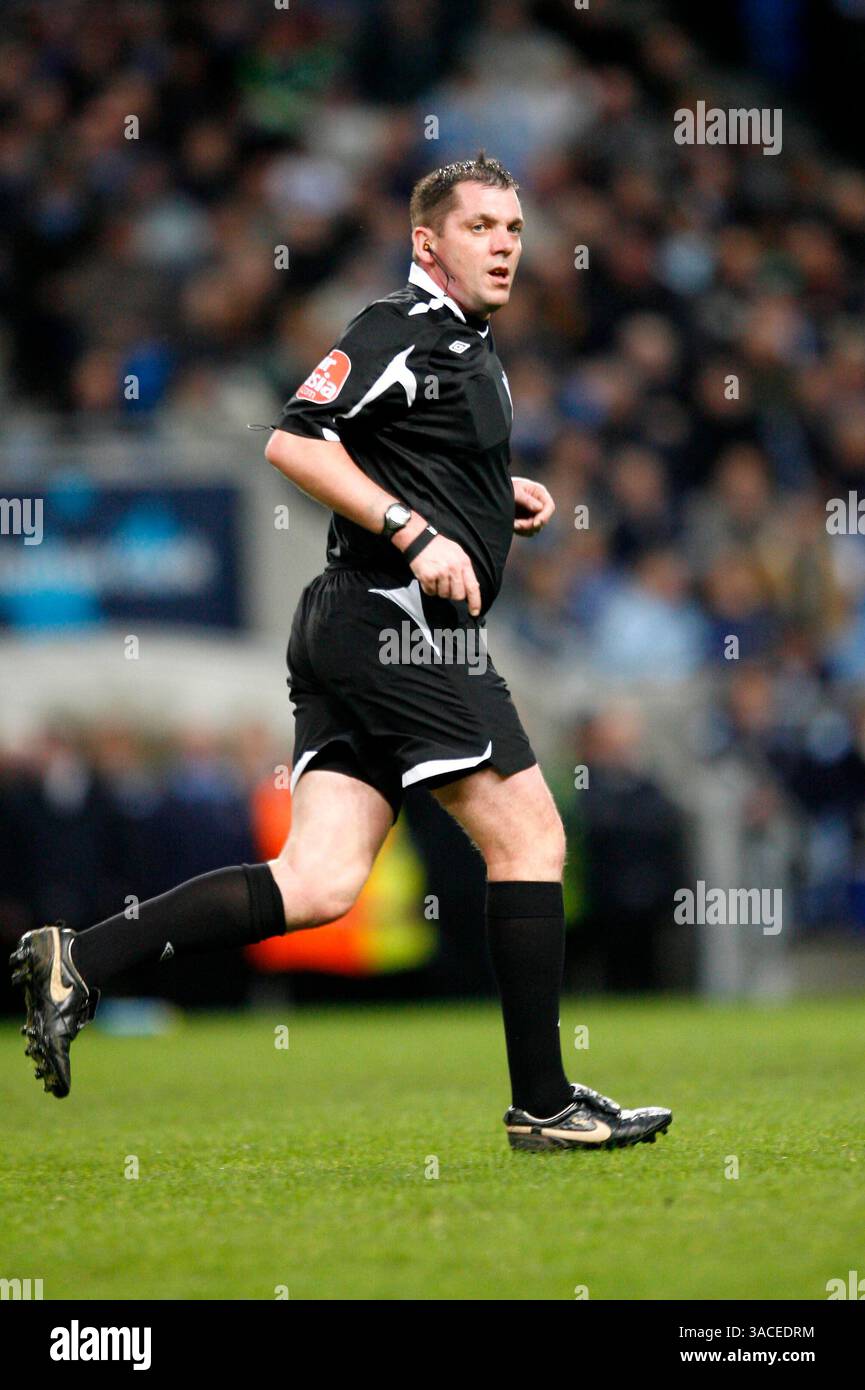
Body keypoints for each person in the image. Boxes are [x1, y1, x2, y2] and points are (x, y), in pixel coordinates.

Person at [11, 152, 671, 1153]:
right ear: (426, 242)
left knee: (317, 880)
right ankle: (543, 1104)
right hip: (396, 624)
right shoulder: (397, 327)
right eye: (479, 226)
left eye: (512, 229)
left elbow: (410, 453)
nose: (502, 245)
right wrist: (415, 531)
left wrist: (499, 499)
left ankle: (81, 957)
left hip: (353, 624)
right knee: (530, 839)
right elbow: (295, 438)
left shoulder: (461, 344)